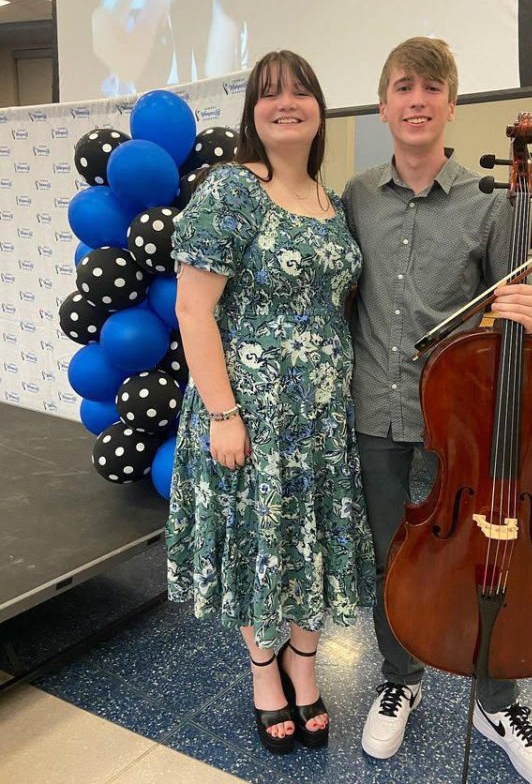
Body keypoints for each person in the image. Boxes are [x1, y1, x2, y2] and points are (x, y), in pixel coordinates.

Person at [343, 37, 532, 784]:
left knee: (486, 554)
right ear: (383, 106)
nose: (416, 100)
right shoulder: (355, 197)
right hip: (375, 411)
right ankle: (400, 677)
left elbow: (512, 316)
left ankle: (493, 700)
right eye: (403, 87)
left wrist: (526, 310)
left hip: (465, 426)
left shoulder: (490, 203)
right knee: (390, 558)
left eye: (431, 89)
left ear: (450, 105)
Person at [166, 49, 375, 754]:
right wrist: (223, 414)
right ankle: (264, 674)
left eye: (301, 93)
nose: (287, 103)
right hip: (249, 416)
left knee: (312, 544)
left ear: (320, 109)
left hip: (320, 418)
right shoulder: (232, 189)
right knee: (259, 543)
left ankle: (303, 665)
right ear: (253, 113)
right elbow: (193, 311)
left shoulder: (333, 202)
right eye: (269, 94)